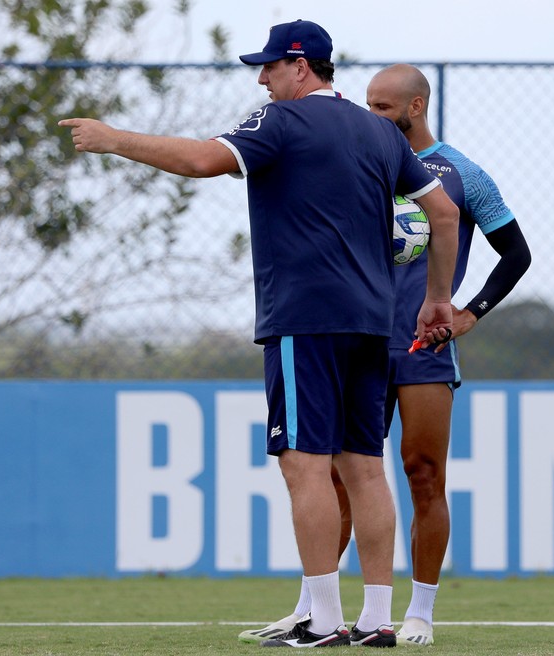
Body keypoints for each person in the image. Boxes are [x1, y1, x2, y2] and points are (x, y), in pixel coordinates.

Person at [60, 23, 459, 649]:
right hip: (372, 321)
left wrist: (114, 140)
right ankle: (376, 620)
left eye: (269, 66)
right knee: (364, 470)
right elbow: (442, 212)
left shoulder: (281, 122)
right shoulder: (379, 131)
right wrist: (438, 300)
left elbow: (199, 161)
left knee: (304, 466)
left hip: (305, 318)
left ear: (301, 67)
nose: (261, 78)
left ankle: (324, 620)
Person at [238, 63, 531, 648]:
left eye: (380, 106)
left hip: (423, 349)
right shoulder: (361, 160)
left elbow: (515, 253)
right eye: (366, 104)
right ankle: (313, 606)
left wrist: (469, 313)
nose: (368, 114)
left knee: (423, 476)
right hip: (359, 338)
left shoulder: (462, 173)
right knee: (339, 478)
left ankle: (419, 609)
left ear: (415, 107)